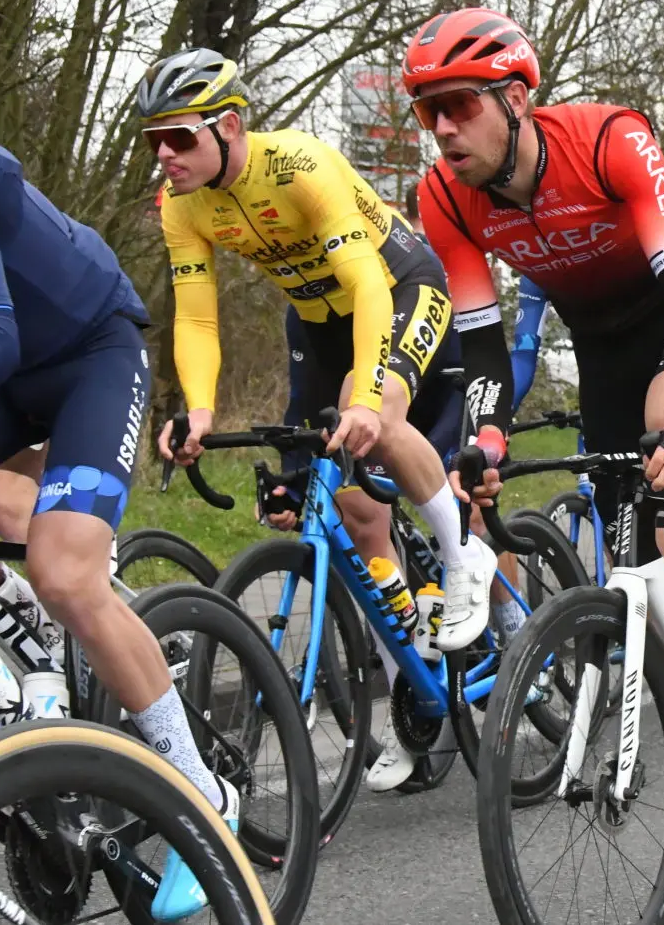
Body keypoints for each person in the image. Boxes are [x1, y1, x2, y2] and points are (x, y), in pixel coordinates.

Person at [400, 8, 664, 894]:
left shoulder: (607, 140)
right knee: (646, 570)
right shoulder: (444, 196)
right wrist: (484, 438)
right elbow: (482, 347)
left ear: (516, 99)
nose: (442, 128)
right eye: (428, 110)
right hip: (601, 346)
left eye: (460, 104)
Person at [139, 49, 503, 662]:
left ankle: (465, 553)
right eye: (154, 140)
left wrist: (365, 398)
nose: (165, 154)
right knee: (355, 514)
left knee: (375, 412)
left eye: (179, 136)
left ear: (230, 125)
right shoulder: (181, 203)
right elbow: (197, 316)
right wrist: (199, 411)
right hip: (315, 323)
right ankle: (409, 677)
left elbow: (365, 283)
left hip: (396, 288)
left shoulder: (299, 165)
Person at [0, 142, 238, 919]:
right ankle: (26, 632)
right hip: (10, 378)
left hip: (87, 352)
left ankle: (204, 799)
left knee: (65, 572)